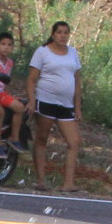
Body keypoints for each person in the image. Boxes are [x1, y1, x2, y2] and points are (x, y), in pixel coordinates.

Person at [27, 21, 84, 192]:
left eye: (66, 32)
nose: (62, 35)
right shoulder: (42, 52)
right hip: (46, 100)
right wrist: (32, 101)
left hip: (66, 104)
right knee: (42, 138)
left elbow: (77, 81)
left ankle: (68, 183)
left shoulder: (73, 53)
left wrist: (77, 106)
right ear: (53, 34)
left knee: (74, 142)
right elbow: (31, 79)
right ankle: (40, 180)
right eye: (59, 32)